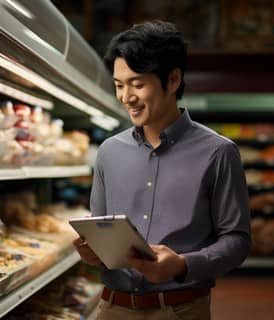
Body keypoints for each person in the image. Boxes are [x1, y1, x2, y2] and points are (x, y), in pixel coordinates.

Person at [73, 20, 251, 320]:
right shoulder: (109, 151)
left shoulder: (218, 153)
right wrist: (94, 252)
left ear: (172, 80)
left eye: (138, 84)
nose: (126, 97)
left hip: (180, 310)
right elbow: (100, 227)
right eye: (119, 85)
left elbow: (237, 241)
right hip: (112, 308)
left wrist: (182, 264)